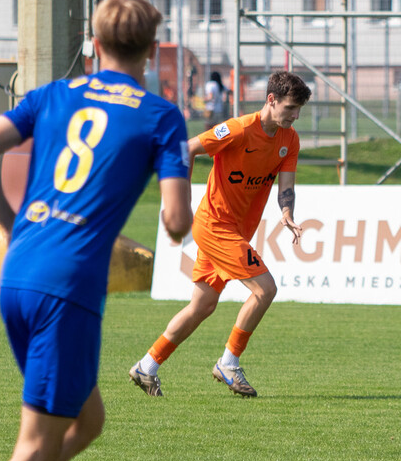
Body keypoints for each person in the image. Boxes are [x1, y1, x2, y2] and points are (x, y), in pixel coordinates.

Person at [0, 0, 194, 461]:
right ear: (153, 51)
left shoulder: (53, 95)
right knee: (37, 444)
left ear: (93, 44)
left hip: (18, 273)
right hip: (67, 287)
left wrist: (12, 224)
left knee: (88, 421)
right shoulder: (160, 116)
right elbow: (176, 224)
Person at [129, 70, 312, 399]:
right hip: (215, 226)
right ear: (271, 100)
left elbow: (287, 187)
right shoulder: (239, 129)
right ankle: (228, 363)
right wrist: (180, 201)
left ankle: (147, 365)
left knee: (201, 307)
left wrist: (287, 214)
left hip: (235, 230)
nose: (295, 116)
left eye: (299, 110)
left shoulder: (290, 140)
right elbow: (185, 151)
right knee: (265, 289)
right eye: (290, 108)